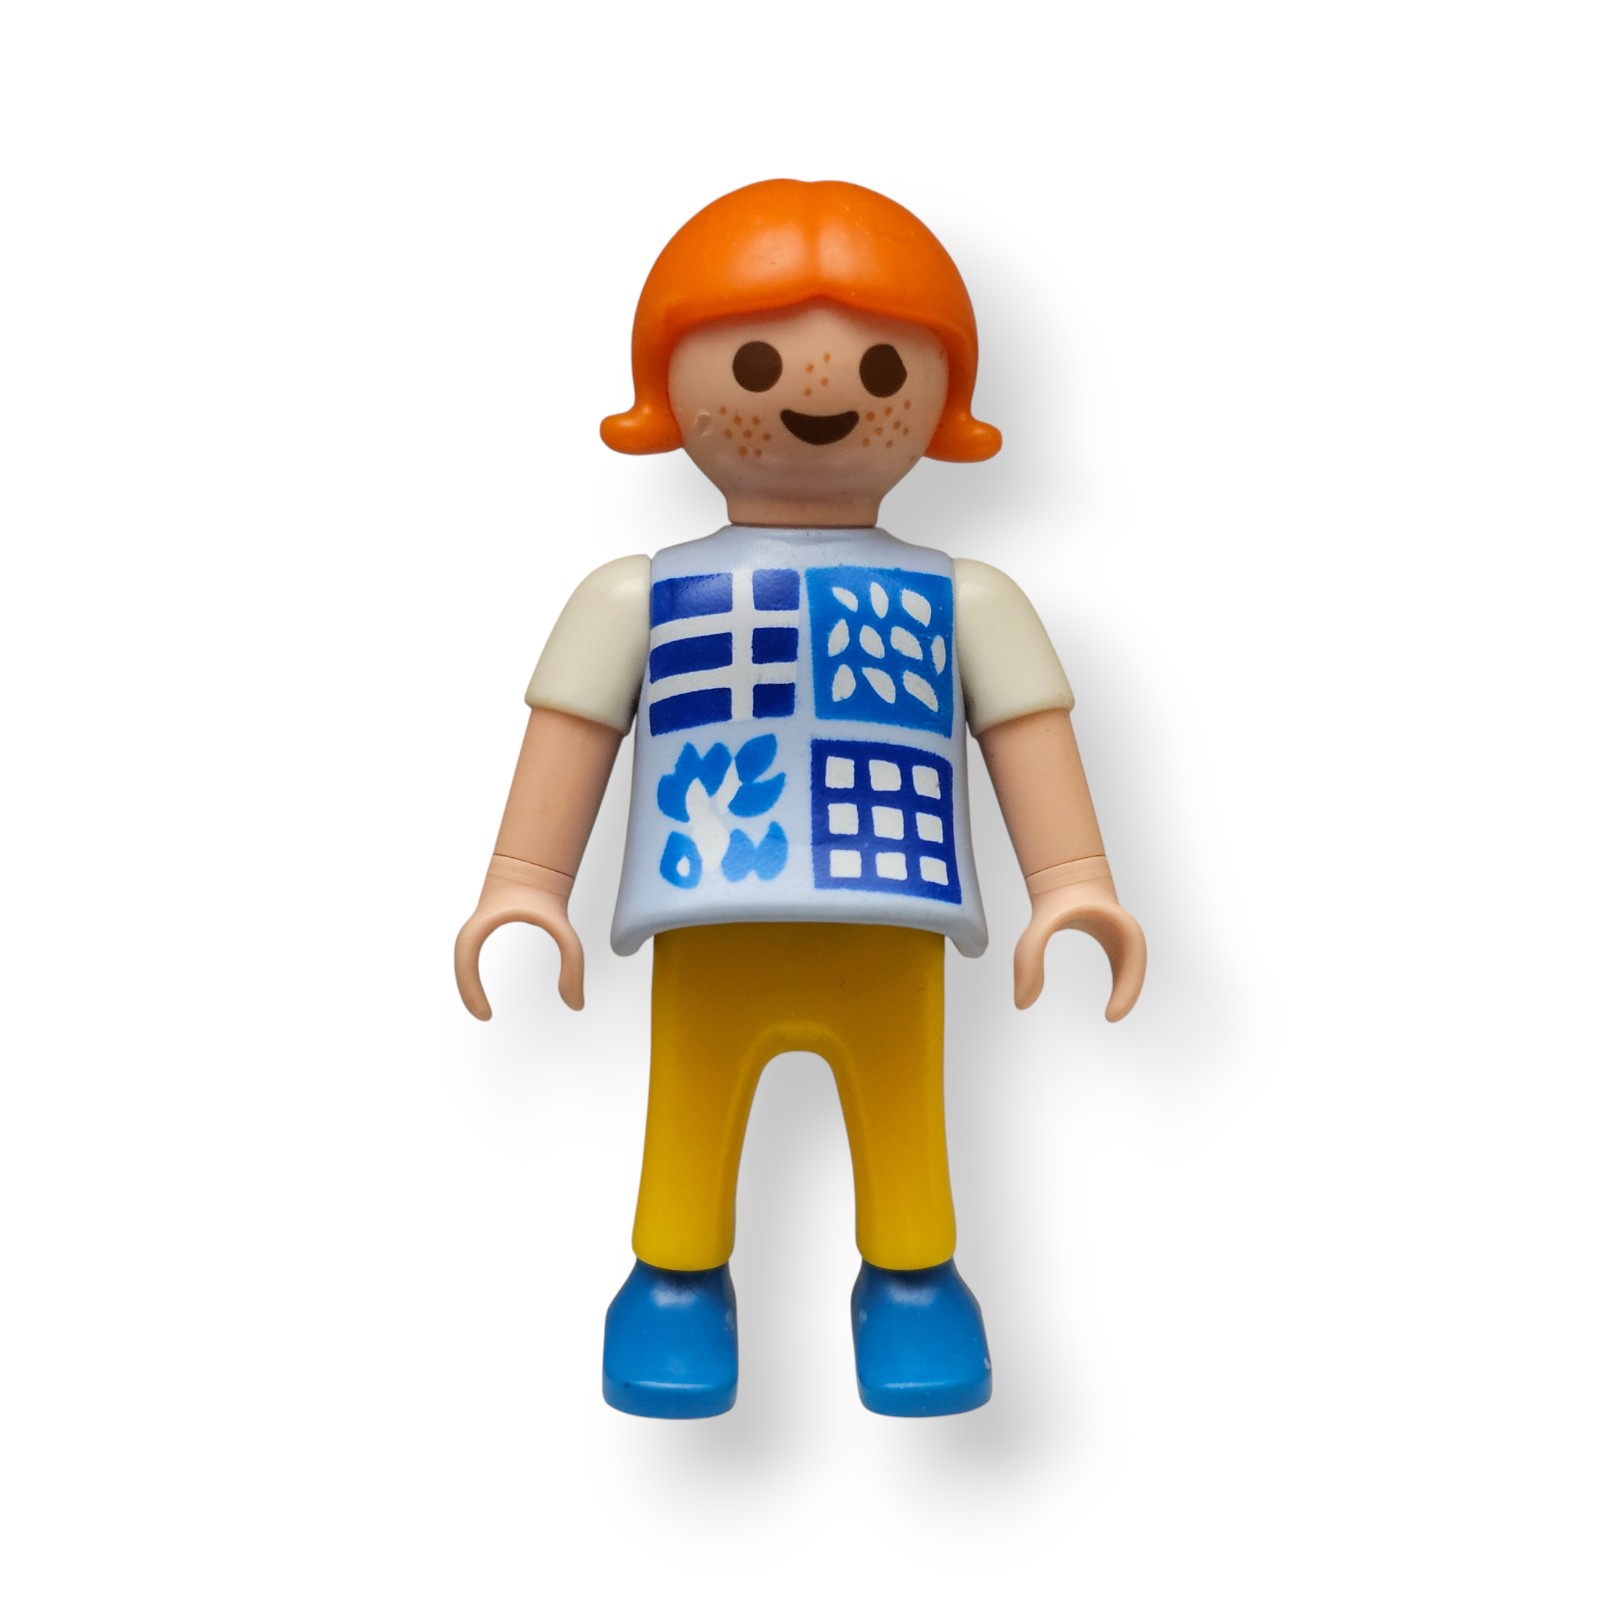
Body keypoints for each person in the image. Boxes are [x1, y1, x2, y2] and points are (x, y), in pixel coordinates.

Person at [454, 179, 1146, 1418]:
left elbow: (1025, 734)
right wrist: (523, 885)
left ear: (941, 397)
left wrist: (1072, 885)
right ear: (666, 386)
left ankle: (914, 1280)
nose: (816, 396)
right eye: (756, 363)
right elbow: (573, 732)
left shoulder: (967, 600)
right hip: (708, 907)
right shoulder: (634, 596)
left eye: (881, 366)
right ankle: (673, 1279)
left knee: (903, 1105)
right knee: (690, 1100)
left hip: (891, 912)